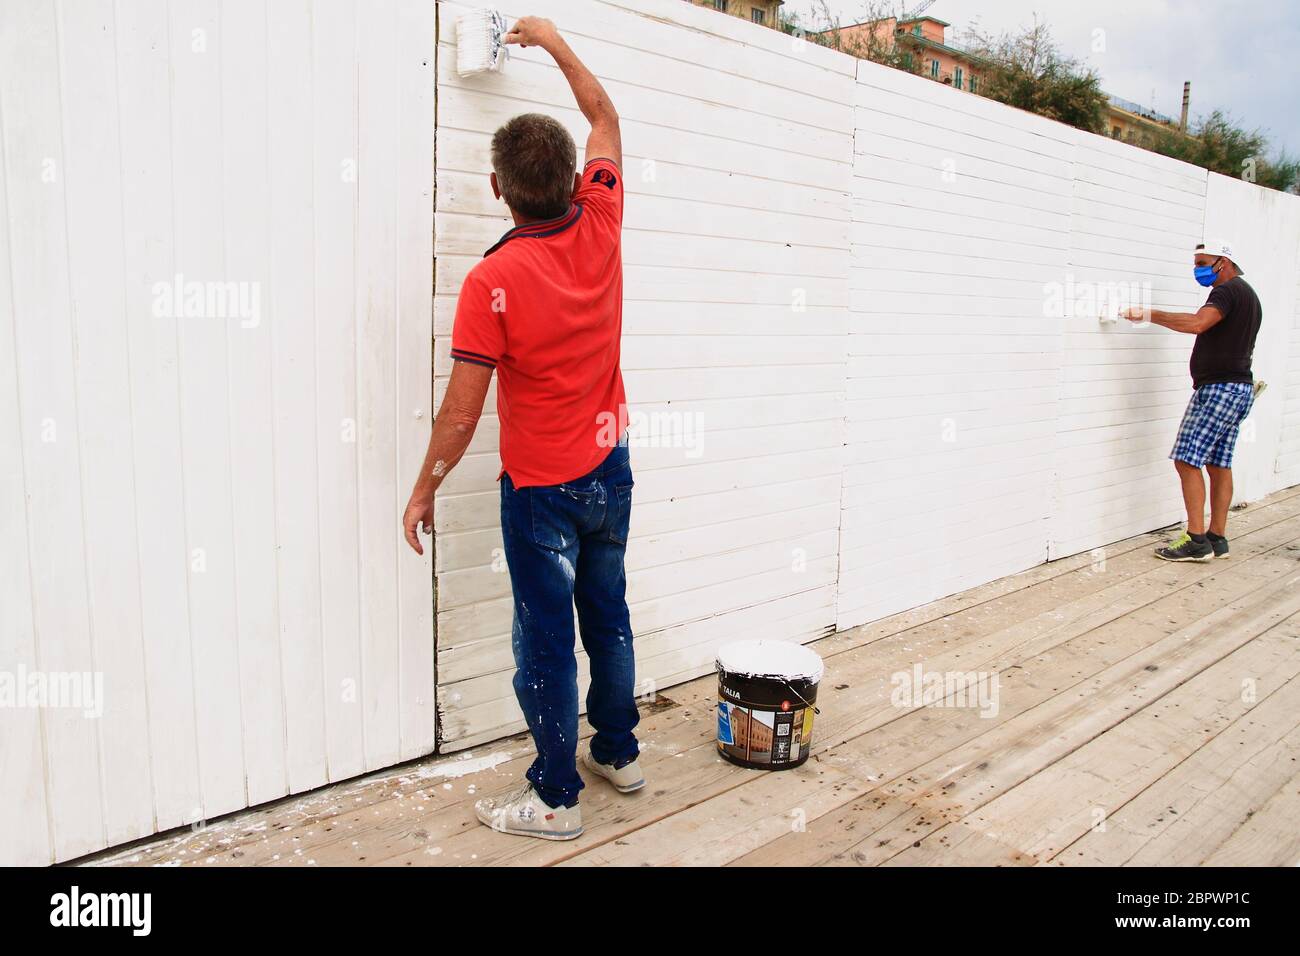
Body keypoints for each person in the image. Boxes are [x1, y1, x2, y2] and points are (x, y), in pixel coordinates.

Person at [401, 16, 641, 840]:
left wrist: (422, 489)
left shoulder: (491, 280)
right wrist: (553, 41)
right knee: (606, 615)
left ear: (499, 189)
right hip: (611, 472)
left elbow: (462, 411)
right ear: (577, 179)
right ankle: (619, 751)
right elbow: (604, 114)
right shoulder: (602, 222)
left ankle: (555, 800)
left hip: (542, 493)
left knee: (545, 643)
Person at [1123, 239, 1262, 562]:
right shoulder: (1248, 295)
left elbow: (1198, 324)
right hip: (1239, 390)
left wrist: (1147, 314)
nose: (1196, 269)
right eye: (1195, 262)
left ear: (1223, 263)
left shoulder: (1226, 292)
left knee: (1186, 459)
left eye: (1202, 262)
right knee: (1218, 463)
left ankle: (1196, 540)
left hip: (1218, 390)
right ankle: (1217, 537)